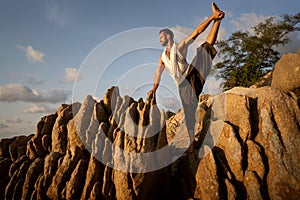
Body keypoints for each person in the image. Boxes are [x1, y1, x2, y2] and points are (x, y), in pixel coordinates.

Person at [147, 2, 225, 152]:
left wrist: (211, 18)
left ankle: (217, 20)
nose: (160, 39)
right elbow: (158, 73)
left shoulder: (180, 46)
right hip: (182, 85)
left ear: (168, 36)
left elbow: (196, 32)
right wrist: (154, 89)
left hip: (191, 75)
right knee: (189, 109)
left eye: (162, 37)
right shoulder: (162, 57)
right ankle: (218, 19)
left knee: (205, 49)